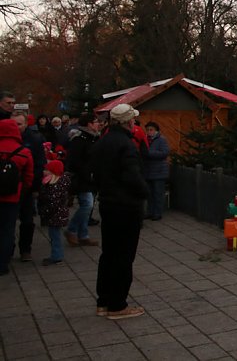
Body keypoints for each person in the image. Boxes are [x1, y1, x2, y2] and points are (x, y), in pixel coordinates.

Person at [90, 103, 149, 320]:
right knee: (124, 256)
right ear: (128, 122)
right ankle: (118, 304)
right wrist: (145, 192)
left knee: (109, 253)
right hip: (126, 206)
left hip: (108, 203)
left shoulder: (102, 142)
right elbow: (132, 177)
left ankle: (103, 301)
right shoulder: (126, 145)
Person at [0, 118, 34, 276]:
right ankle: (3, 262)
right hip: (12, 197)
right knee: (8, 229)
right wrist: (22, 190)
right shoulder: (23, 152)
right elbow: (28, 177)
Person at [11, 111, 46, 262]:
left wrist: (35, 187)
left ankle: (25, 249)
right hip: (9, 187)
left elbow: (39, 164)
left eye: (19, 124)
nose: (16, 127)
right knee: (8, 221)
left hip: (27, 187)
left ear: (26, 124)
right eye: (13, 124)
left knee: (27, 220)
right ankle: (8, 249)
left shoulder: (34, 139)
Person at [65, 113, 102, 247]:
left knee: (87, 206)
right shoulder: (79, 139)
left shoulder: (94, 138)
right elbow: (75, 161)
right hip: (82, 179)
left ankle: (83, 235)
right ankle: (71, 229)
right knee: (87, 205)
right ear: (89, 124)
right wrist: (88, 173)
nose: (99, 124)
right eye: (96, 121)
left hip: (91, 178)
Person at [39, 160, 71, 266]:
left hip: (55, 215)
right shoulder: (58, 183)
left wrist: (46, 212)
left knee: (55, 236)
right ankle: (57, 255)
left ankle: (56, 256)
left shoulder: (55, 185)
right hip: (57, 214)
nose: (44, 172)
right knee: (54, 235)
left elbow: (53, 202)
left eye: (47, 170)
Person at [142, 121, 169, 221]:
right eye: (148, 130)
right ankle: (150, 212)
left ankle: (157, 213)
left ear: (156, 131)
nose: (149, 132)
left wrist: (149, 153)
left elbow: (165, 153)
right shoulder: (145, 140)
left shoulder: (161, 140)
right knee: (149, 194)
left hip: (159, 171)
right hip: (148, 171)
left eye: (151, 130)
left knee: (158, 193)